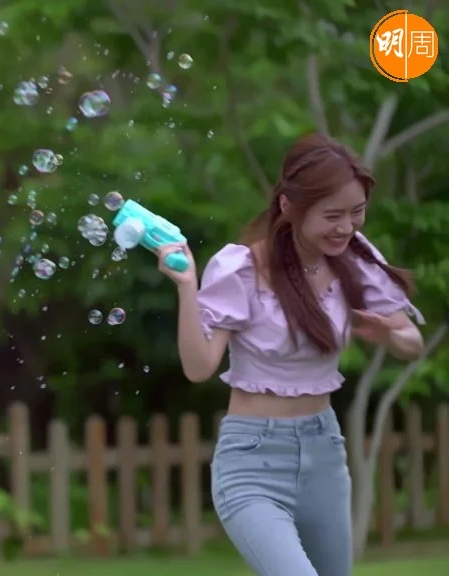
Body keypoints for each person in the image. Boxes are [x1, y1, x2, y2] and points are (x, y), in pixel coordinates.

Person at [157, 133, 426, 576]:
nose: (346, 227)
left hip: (324, 455)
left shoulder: (355, 261)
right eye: (332, 215)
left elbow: (412, 342)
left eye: (357, 212)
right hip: (253, 461)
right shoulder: (242, 269)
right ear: (288, 206)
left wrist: (390, 335)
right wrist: (187, 287)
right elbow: (199, 366)